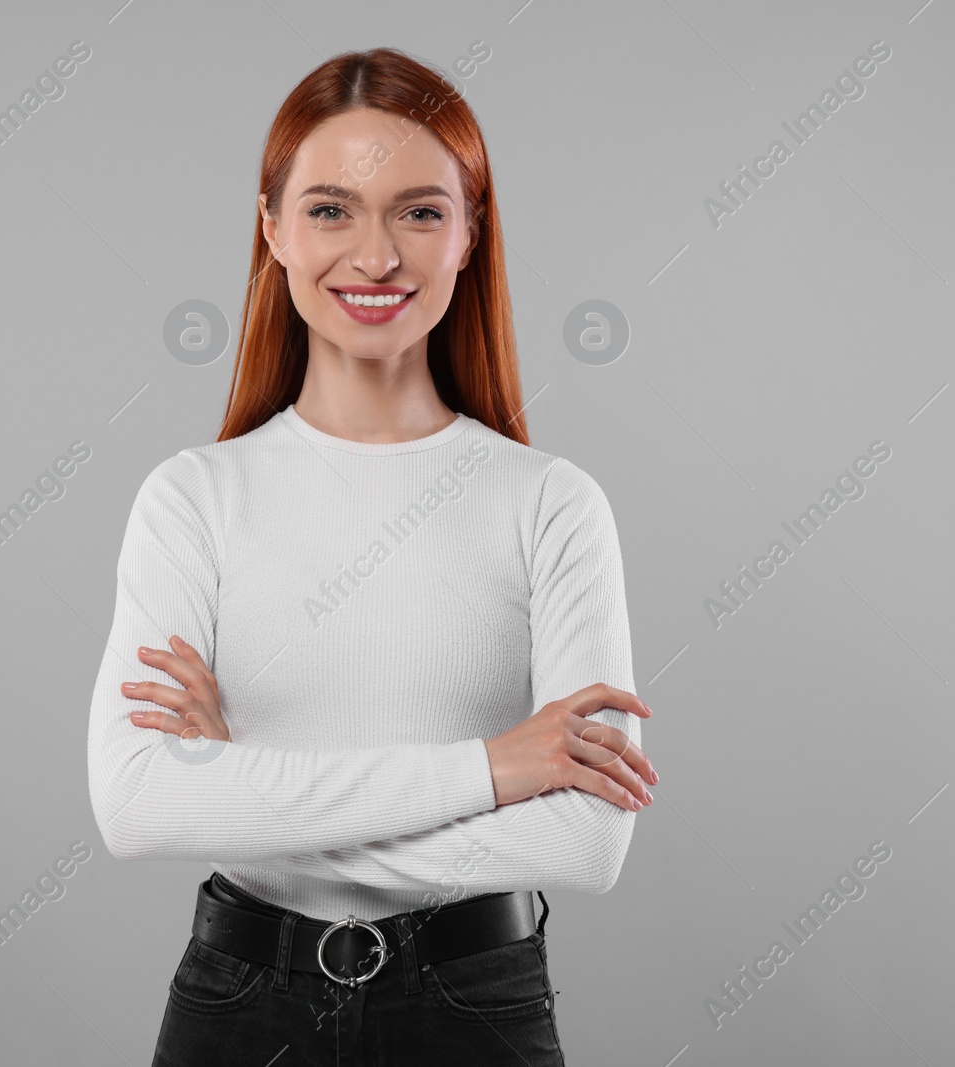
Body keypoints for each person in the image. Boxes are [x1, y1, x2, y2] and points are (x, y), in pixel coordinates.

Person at [85, 46, 658, 1066]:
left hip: (473, 1003)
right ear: (271, 227)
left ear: (471, 233)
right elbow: (135, 804)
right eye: (330, 209)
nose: (377, 254)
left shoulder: (550, 506)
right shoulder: (194, 498)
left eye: (421, 210)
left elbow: (585, 842)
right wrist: (493, 767)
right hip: (240, 1003)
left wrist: (244, 789)